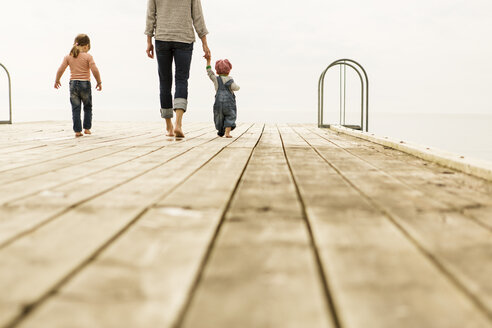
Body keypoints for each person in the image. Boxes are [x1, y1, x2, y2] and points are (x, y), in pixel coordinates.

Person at [145, 0, 211, 138]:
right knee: (181, 80)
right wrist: (204, 43)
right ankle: (178, 124)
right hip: (184, 38)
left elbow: (150, 14)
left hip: (162, 37)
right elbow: (198, 15)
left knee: (164, 82)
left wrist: (149, 41)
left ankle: (169, 126)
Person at [54, 34, 102, 138]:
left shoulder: (68, 57)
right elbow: (94, 70)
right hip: (85, 84)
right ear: (86, 46)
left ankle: (77, 131)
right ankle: (87, 128)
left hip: (73, 84)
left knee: (75, 108)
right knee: (87, 107)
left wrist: (57, 80)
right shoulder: (88, 57)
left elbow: (61, 69)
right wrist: (99, 82)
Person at [206, 58, 240, 138]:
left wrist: (208, 63)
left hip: (218, 103)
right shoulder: (230, 80)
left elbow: (210, 73)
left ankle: (220, 131)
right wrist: (238, 87)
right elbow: (235, 87)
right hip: (229, 104)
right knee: (230, 116)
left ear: (217, 70)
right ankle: (227, 133)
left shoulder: (216, 79)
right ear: (229, 70)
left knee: (219, 117)